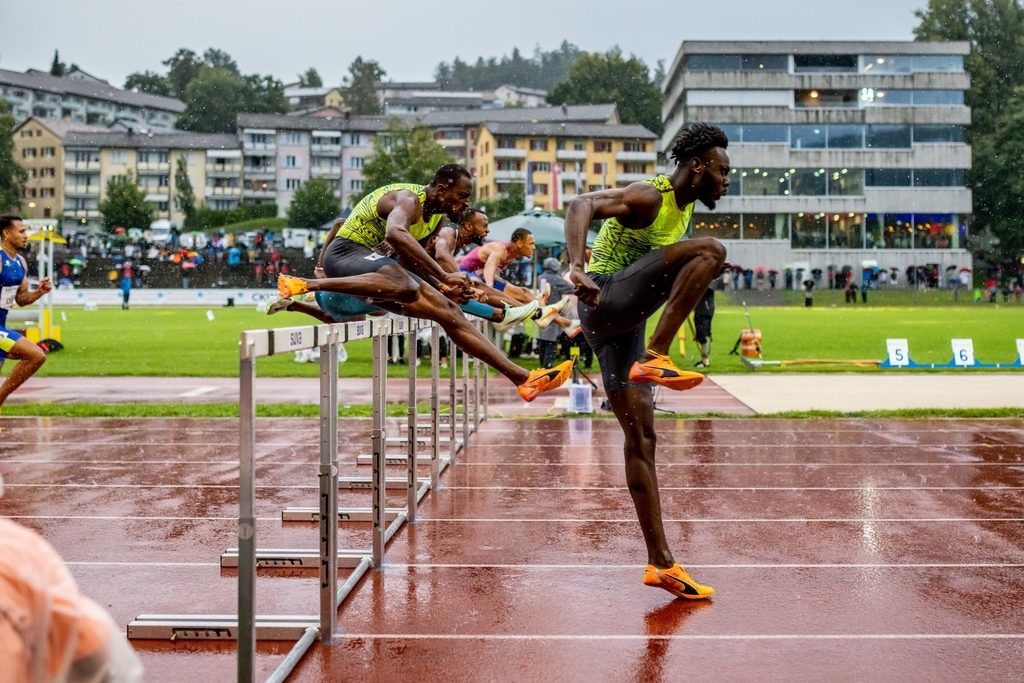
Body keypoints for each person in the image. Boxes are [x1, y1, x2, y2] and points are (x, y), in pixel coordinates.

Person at [564, 123, 729, 600]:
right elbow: (581, 204)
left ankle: (661, 564)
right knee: (711, 251)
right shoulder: (650, 196)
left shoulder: (685, 207)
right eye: (721, 172)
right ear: (696, 166)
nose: (726, 181)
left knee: (642, 439)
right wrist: (576, 266)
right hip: (604, 297)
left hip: (619, 322)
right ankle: (656, 357)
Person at [278, 165, 572, 402]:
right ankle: (307, 284)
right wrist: (444, 276)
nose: (465, 204)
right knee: (407, 287)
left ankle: (523, 379)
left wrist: (446, 288)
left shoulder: (437, 221)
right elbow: (395, 234)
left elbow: (410, 262)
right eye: (462, 196)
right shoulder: (409, 200)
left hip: (378, 271)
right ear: (441, 190)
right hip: (344, 255)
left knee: (448, 311)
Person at [0, 216, 51, 411]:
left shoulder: (20, 262)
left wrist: (40, 292)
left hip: (2, 326)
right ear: (6, 233)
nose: (26, 236)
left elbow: (21, 300)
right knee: (36, 356)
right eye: (21, 231)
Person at [458, 228, 540, 305]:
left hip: (480, 276)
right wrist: (490, 287)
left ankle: (542, 306)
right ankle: (531, 309)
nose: (534, 247)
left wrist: (503, 282)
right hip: (464, 272)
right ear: (519, 244)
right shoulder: (501, 249)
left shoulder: (512, 254)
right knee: (483, 285)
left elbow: (487, 271)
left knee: (524, 293)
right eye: (531, 244)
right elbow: (490, 265)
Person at [535, 257, 581, 368]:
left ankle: (542, 365)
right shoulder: (555, 279)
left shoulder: (541, 277)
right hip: (553, 313)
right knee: (551, 341)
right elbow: (571, 288)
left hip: (541, 311)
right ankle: (548, 366)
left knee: (542, 340)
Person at [692, 287, 715, 368]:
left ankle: (704, 360)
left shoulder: (707, 282)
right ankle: (704, 359)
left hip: (703, 310)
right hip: (706, 309)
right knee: (705, 333)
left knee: (703, 334)